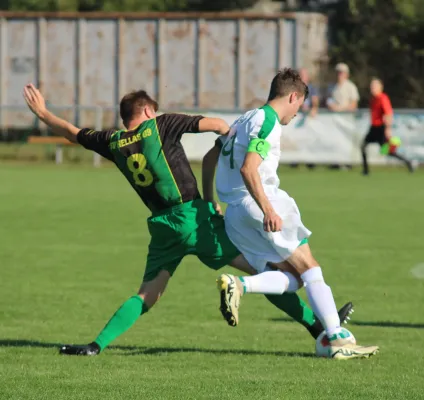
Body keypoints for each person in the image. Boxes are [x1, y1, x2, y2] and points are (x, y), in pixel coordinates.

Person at [22, 84, 353, 356]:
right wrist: (230, 141)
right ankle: (322, 326)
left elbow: (71, 132)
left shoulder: (112, 141)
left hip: (163, 229)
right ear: (148, 110)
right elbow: (217, 125)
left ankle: (96, 345)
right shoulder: (162, 124)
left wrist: (43, 113)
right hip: (195, 219)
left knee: (147, 295)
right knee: (267, 272)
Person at [205, 68, 378, 359]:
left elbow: (211, 157)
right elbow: (249, 168)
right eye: (299, 105)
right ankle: (336, 338)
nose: (298, 113)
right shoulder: (269, 121)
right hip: (260, 203)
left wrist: (209, 199)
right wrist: (268, 209)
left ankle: (240, 284)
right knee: (311, 268)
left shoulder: (244, 118)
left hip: (235, 215)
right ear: (293, 96)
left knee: (293, 279)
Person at [361, 78, 414, 175]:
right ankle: (366, 170)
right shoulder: (373, 100)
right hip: (374, 128)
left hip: (381, 128)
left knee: (387, 151)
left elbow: (388, 114)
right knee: (363, 146)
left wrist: (387, 129)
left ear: (381, 87)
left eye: (375, 86)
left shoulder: (383, 98)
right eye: (372, 86)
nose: (372, 88)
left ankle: (408, 162)